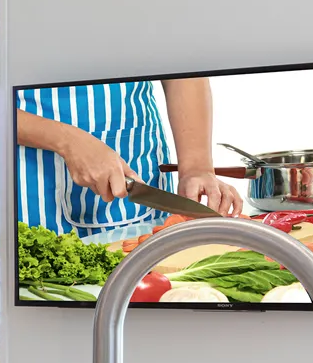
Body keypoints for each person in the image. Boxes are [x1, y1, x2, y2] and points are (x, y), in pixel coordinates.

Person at [15, 77, 245, 242]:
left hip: (135, 158)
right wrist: (66, 141)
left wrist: (196, 167)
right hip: (30, 180)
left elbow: (183, 58)